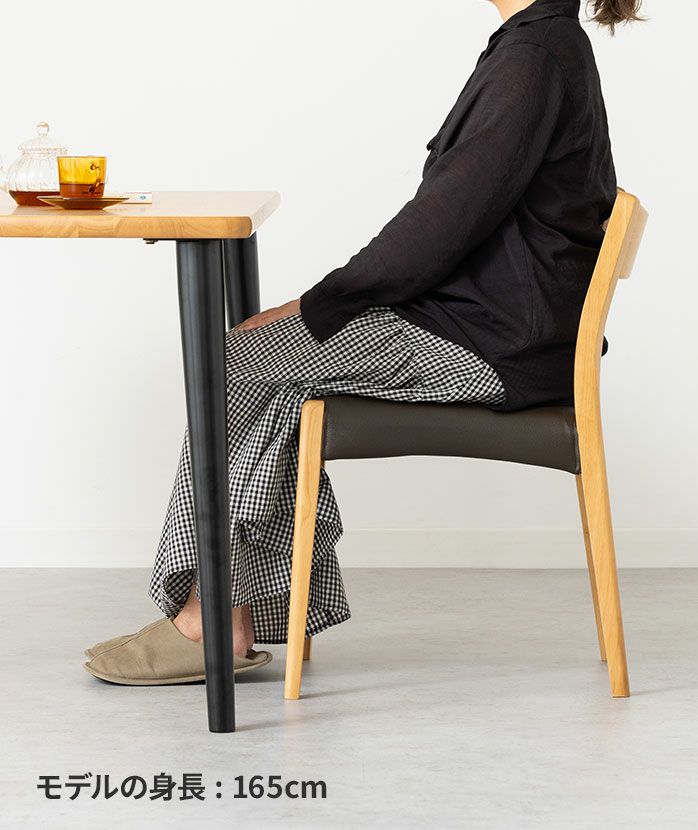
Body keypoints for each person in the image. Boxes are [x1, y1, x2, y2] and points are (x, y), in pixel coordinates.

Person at [84, 0, 644, 685]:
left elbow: (435, 231)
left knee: (235, 360)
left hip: (489, 344)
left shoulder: (533, 59)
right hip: (495, 330)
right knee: (272, 387)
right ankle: (225, 616)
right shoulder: (536, 46)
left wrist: (313, 306)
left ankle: (212, 623)